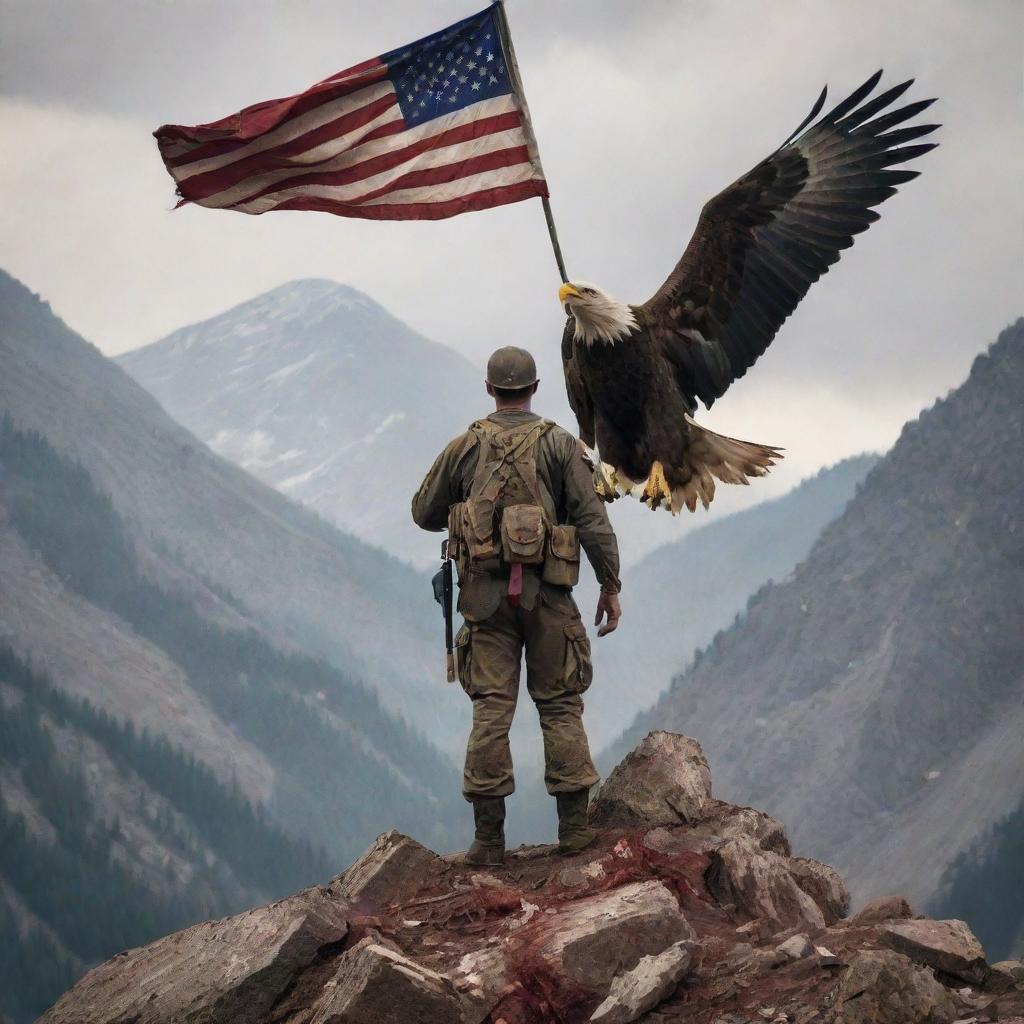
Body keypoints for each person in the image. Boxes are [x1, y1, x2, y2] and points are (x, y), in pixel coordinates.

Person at [411, 345, 622, 865]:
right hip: (549, 597)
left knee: (490, 711)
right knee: (559, 705)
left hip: (484, 600)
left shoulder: (464, 446)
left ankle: (488, 844)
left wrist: (469, 517)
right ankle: (574, 833)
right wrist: (610, 585)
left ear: (489, 389)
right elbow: (592, 520)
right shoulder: (559, 445)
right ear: (534, 387)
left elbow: (423, 512)